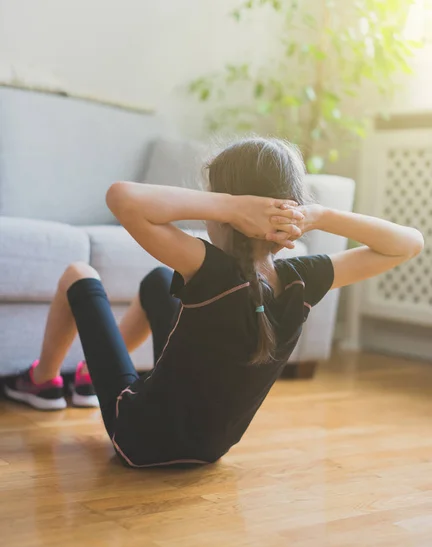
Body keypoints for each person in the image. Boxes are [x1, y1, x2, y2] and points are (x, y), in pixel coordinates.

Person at [4, 138, 423, 467]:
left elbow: (121, 198)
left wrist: (231, 207)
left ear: (229, 211)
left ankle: (44, 382)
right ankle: (86, 377)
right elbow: (408, 244)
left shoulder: (208, 269)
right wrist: (319, 216)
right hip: (210, 451)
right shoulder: (301, 278)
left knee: (78, 273)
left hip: (138, 440)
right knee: (158, 281)